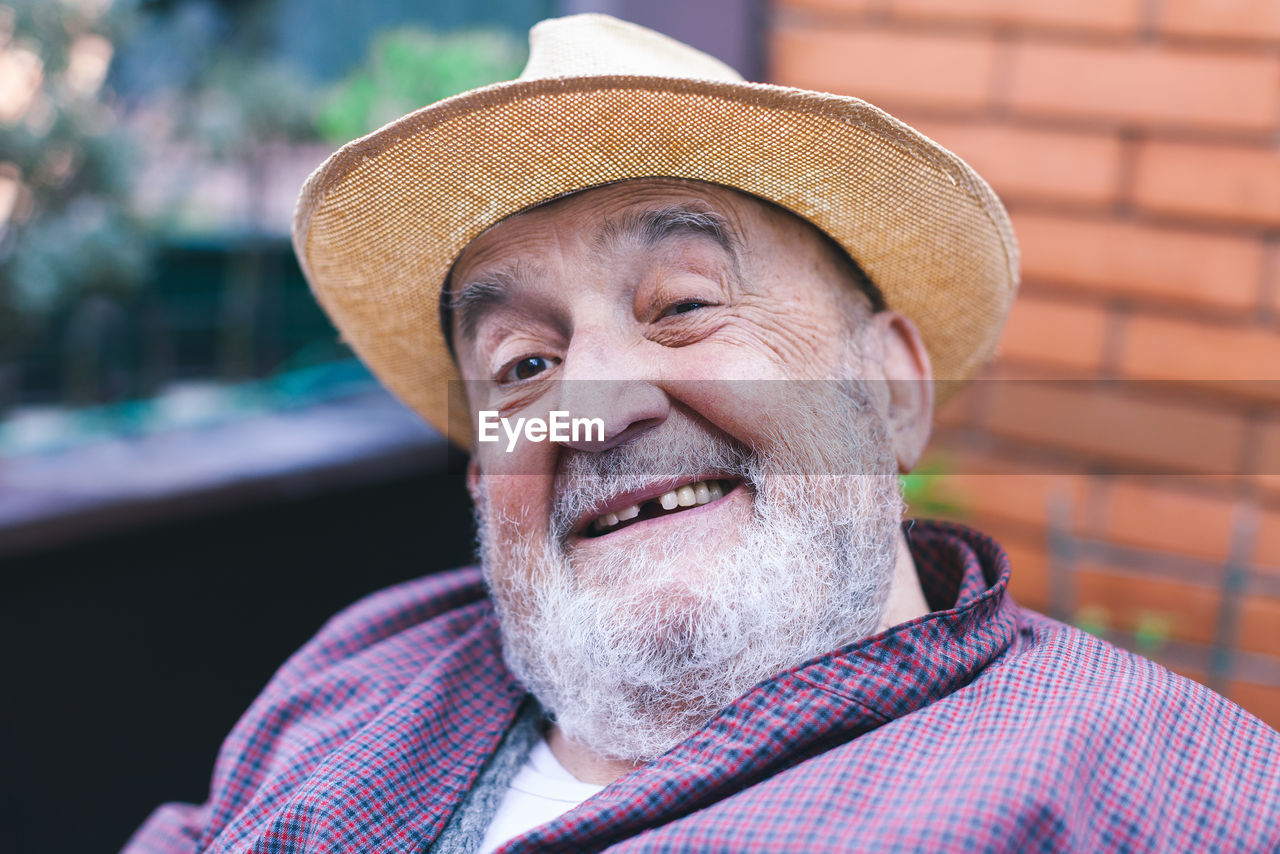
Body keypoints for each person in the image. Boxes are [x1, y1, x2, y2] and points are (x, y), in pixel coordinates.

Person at [126, 14, 1279, 854]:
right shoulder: (370, 667)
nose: (604, 402)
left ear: (886, 387)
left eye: (682, 306)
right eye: (523, 367)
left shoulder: (1141, 785)